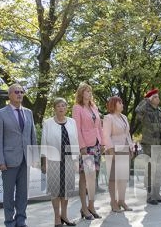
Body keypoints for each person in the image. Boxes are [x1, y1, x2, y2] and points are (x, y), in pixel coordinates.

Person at [0, 83, 38, 227]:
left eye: (22, 92)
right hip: (9, 161)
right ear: (10, 95)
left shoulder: (29, 112)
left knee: (23, 193)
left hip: (25, 159)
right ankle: (9, 221)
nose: (19, 94)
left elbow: (33, 136)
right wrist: (0, 160)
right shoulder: (0, 114)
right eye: (16, 92)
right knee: (9, 194)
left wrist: (34, 157)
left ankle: (21, 220)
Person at [41, 98, 78, 227]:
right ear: (54, 108)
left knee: (66, 189)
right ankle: (57, 217)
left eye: (63, 105)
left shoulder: (72, 122)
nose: (61, 108)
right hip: (53, 160)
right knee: (55, 190)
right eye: (58, 106)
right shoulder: (48, 123)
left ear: (66, 108)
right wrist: (44, 162)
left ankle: (65, 215)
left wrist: (75, 160)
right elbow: (44, 143)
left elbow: (75, 142)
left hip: (68, 160)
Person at [72, 82, 103, 220]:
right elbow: (76, 129)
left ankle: (91, 206)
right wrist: (82, 146)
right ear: (81, 93)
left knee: (93, 177)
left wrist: (102, 143)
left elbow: (99, 127)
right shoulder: (77, 108)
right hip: (86, 146)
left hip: (96, 145)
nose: (89, 93)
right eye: (86, 91)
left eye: (90, 91)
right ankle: (84, 208)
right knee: (85, 177)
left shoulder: (94, 107)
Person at [135, 88, 161, 205]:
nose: (158, 98)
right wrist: (146, 100)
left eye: (158, 97)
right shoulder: (145, 110)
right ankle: (150, 195)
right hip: (149, 144)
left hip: (160, 144)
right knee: (150, 170)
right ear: (150, 99)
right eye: (155, 97)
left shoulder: (160, 111)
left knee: (159, 170)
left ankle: (157, 193)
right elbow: (137, 112)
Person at [103, 96, 134, 213]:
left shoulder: (124, 117)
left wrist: (131, 148)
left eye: (122, 102)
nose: (122, 104)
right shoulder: (108, 118)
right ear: (113, 104)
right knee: (113, 179)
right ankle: (113, 202)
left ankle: (122, 200)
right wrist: (111, 151)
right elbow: (106, 136)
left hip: (125, 149)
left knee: (123, 178)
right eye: (119, 103)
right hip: (114, 150)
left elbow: (128, 134)